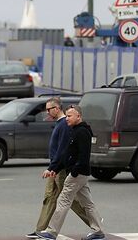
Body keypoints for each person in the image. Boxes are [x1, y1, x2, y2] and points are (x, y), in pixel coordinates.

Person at [36, 106, 105, 240]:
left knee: (63, 201)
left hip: (77, 174)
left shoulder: (82, 132)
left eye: (70, 116)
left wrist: (73, 173)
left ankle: (51, 232)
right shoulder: (74, 131)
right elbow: (66, 155)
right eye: (66, 116)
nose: (67, 119)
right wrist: (53, 169)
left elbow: (83, 157)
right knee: (87, 203)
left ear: (78, 116)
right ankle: (98, 231)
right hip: (79, 174)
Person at [26, 97, 90, 239]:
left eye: (49, 109)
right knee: (50, 198)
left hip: (59, 168)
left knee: (69, 200)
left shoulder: (64, 125)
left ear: (57, 108)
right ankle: (40, 229)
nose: (47, 112)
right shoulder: (60, 124)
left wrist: (54, 167)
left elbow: (63, 150)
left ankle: (94, 222)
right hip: (54, 167)